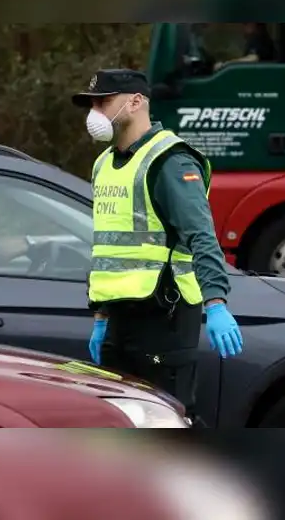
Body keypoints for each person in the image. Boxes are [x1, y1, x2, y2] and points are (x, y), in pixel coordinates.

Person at [72, 68, 244, 425]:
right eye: (91, 104)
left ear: (136, 102)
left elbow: (201, 235)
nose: (95, 113)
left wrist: (216, 303)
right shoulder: (104, 164)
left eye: (103, 102)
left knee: (167, 422)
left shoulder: (169, 160)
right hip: (120, 321)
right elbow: (108, 245)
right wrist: (101, 317)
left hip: (164, 318)